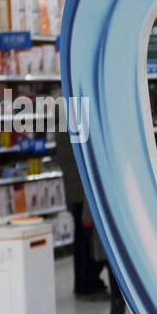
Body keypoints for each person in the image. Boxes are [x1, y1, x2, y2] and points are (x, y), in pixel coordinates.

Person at [54, 128, 106, 299]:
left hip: (75, 186)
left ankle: (86, 283)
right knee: (85, 240)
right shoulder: (72, 118)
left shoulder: (64, 117)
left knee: (83, 239)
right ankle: (86, 285)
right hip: (81, 187)